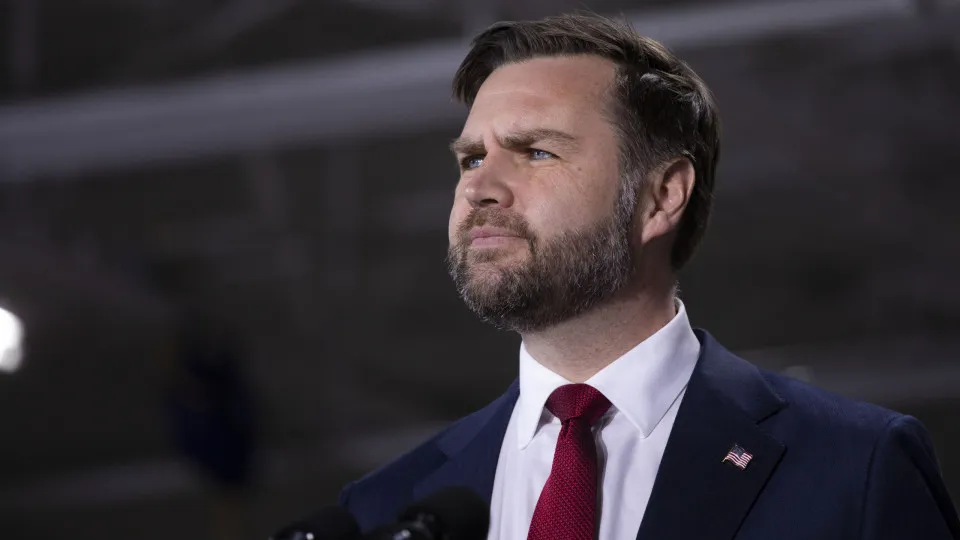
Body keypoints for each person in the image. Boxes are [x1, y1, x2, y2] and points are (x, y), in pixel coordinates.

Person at [336, 13, 960, 540]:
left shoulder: (856, 465)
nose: (479, 188)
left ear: (662, 196)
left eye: (536, 152)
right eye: (472, 158)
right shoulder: (382, 510)